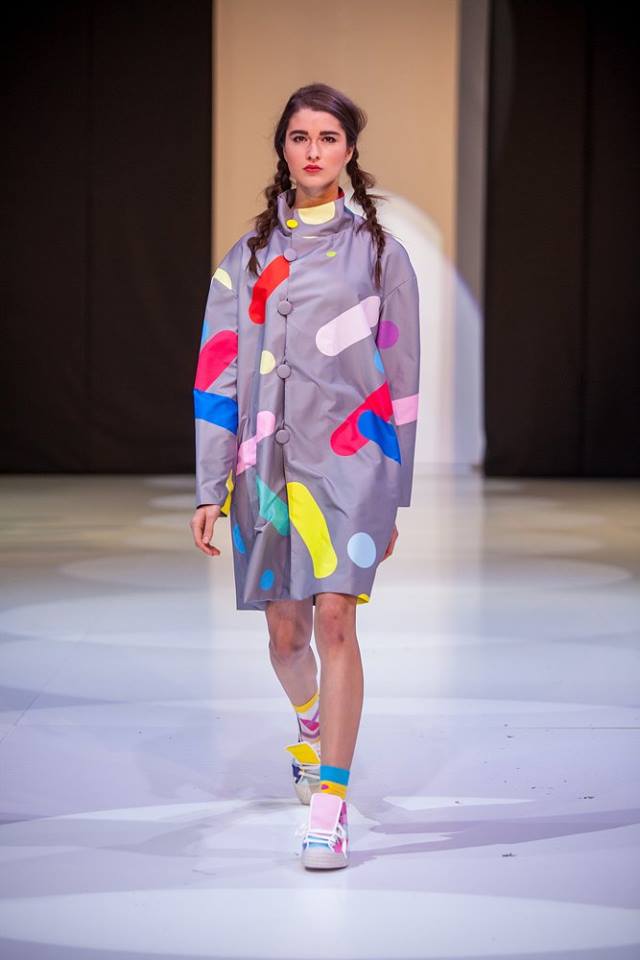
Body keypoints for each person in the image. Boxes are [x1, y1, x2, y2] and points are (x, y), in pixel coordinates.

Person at [189, 82, 420, 869]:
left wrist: (394, 495)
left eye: (328, 137)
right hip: (267, 467)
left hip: (354, 463)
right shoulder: (248, 257)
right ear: (283, 149)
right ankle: (310, 725)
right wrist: (210, 484)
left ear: (349, 150)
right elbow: (218, 372)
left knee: (335, 622)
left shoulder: (381, 254)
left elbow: (403, 375)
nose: (313, 150)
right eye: (299, 137)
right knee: (285, 634)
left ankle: (331, 805)